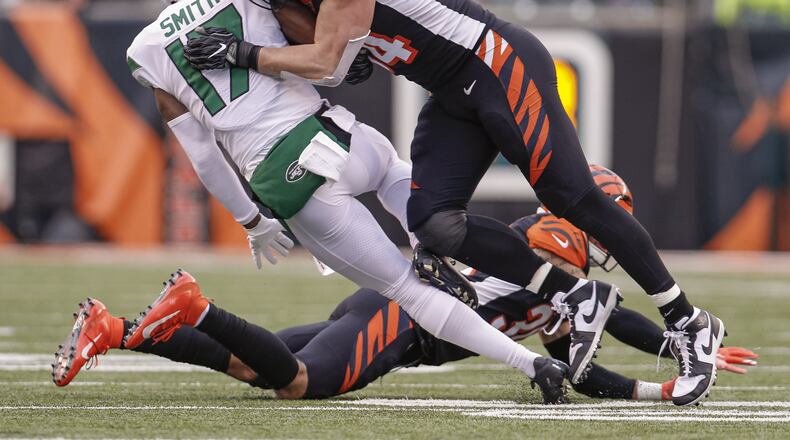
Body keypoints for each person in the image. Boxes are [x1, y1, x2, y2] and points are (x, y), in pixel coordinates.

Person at [181, 0, 725, 405]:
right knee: (435, 226)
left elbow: (323, 59)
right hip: (452, 89)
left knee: (571, 194)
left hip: (497, 66)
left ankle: (690, 322)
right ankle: (575, 295)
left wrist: (246, 53)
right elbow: (334, 56)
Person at [74, 0, 573, 404]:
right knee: (397, 176)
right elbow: (324, 49)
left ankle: (530, 363)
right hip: (338, 136)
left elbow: (202, 154)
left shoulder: (146, 49)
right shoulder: (245, 2)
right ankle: (431, 245)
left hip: (284, 170)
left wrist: (252, 220)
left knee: (411, 294)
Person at [50, 166, 757, 401]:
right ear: (579, 223)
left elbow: (607, 332)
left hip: (385, 312)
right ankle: (197, 301)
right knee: (298, 382)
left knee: (252, 363)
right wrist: (666, 364)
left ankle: (116, 332)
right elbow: (593, 338)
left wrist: (670, 361)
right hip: (404, 321)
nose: (609, 247)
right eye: (604, 227)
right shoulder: (543, 264)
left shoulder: (543, 266)